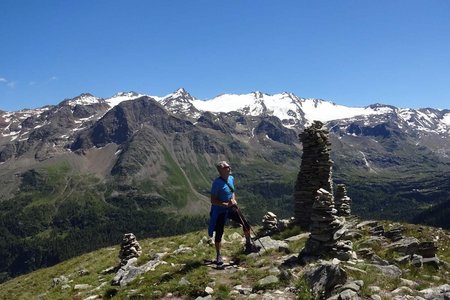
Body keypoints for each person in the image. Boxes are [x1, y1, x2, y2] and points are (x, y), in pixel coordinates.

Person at [208, 160, 257, 265]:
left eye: (229, 166)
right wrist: (226, 204)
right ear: (221, 170)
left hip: (230, 208)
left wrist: (233, 200)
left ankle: (248, 244)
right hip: (220, 210)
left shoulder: (231, 178)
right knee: (219, 232)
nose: (229, 168)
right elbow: (213, 200)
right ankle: (218, 255)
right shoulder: (217, 183)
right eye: (226, 167)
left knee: (245, 223)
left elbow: (232, 191)